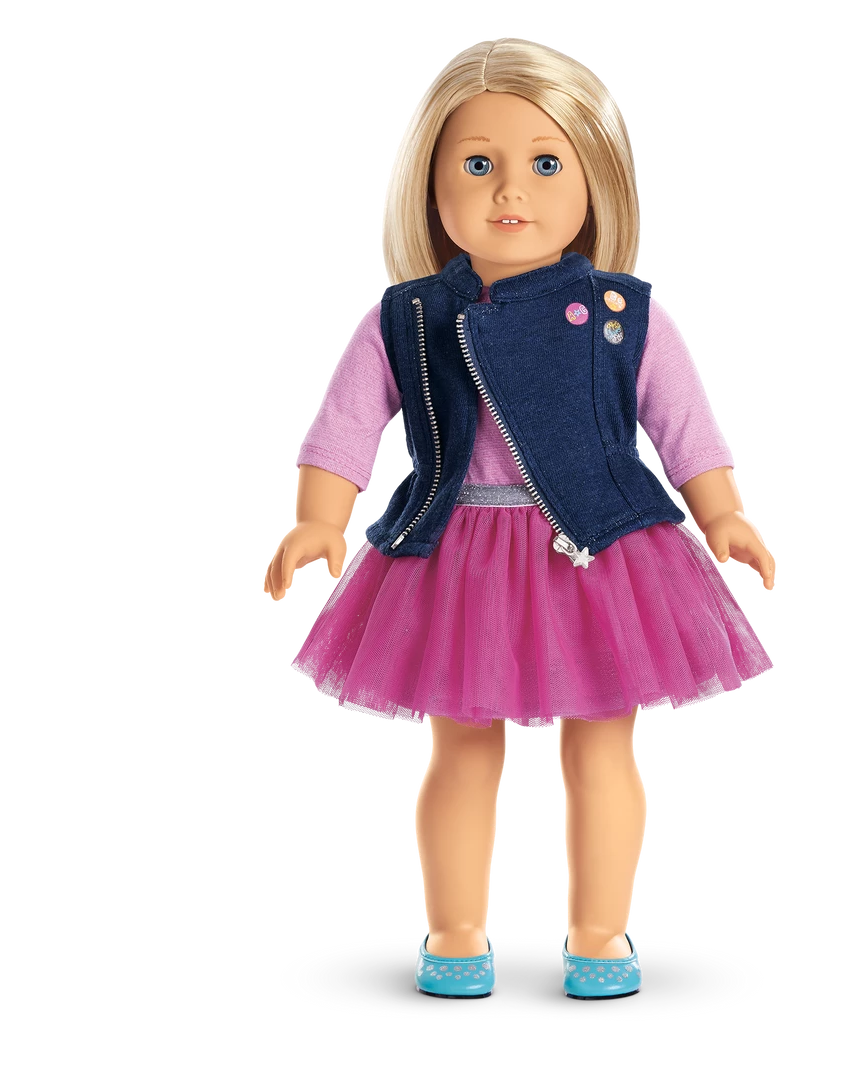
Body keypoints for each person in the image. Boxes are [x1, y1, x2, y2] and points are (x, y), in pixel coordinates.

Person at [261, 37, 777, 999]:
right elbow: (348, 424)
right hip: (457, 547)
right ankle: (454, 934)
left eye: (545, 163)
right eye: (477, 163)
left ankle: (602, 935)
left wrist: (723, 511)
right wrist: (321, 518)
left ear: (595, 178)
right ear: (431, 184)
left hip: (600, 548)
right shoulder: (407, 317)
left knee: (603, 743)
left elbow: (681, 423)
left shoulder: (623, 312)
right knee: (461, 744)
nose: (510, 189)